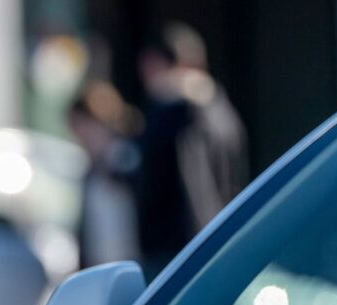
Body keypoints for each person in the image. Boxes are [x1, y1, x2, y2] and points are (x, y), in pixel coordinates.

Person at [134, 22, 247, 275]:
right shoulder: (221, 108)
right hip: (213, 241)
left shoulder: (179, 114)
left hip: (181, 252)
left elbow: (194, 190)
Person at [66, 81, 142, 268]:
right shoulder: (91, 170)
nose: (80, 136)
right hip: (102, 268)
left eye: (82, 126)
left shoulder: (129, 160)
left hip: (136, 266)